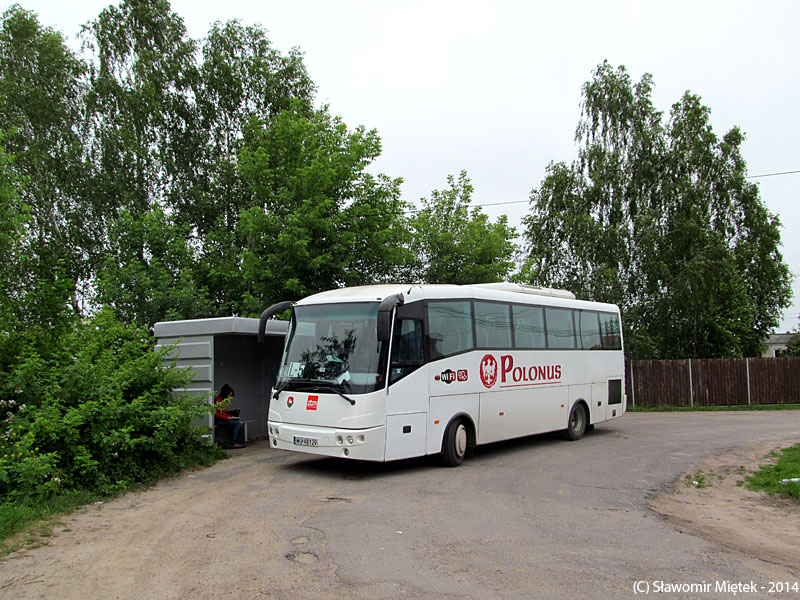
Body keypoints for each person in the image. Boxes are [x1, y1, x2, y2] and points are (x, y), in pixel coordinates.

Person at [214, 384, 245, 448]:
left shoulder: (223, 401)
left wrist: (230, 416)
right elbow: (216, 414)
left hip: (223, 419)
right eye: (229, 395)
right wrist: (227, 418)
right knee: (237, 424)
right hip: (219, 420)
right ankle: (234, 442)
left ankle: (237, 440)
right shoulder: (218, 401)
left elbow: (223, 412)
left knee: (237, 422)